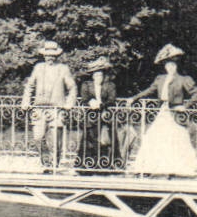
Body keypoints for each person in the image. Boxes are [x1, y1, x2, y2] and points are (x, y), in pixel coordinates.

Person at [125, 43, 197, 176]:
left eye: (172, 65)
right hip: (163, 112)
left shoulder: (183, 79)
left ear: (176, 66)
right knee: (155, 138)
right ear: (165, 66)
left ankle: (178, 169)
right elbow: (149, 91)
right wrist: (133, 98)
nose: (170, 68)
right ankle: (155, 168)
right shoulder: (160, 79)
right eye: (167, 65)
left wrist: (185, 106)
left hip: (175, 113)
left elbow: (196, 94)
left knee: (176, 139)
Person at [21, 40, 77, 171]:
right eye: (47, 55)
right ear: (44, 56)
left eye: (53, 55)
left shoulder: (63, 69)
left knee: (55, 140)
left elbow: (72, 87)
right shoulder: (39, 67)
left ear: (57, 56)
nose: (50, 58)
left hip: (56, 109)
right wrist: (26, 101)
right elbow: (30, 85)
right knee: (38, 137)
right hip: (39, 109)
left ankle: (54, 165)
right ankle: (45, 161)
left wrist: (69, 104)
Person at [77, 56, 122, 172]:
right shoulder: (86, 85)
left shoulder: (110, 85)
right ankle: (87, 165)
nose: (98, 78)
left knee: (107, 140)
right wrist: (90, 101)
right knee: (90, 139)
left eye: (100, 75)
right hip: (91, 116)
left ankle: (108, 165)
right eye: (96, 75)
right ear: (92, 76)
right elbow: (84, 99)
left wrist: (102, 105)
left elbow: (112, 99)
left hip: (105, 116)